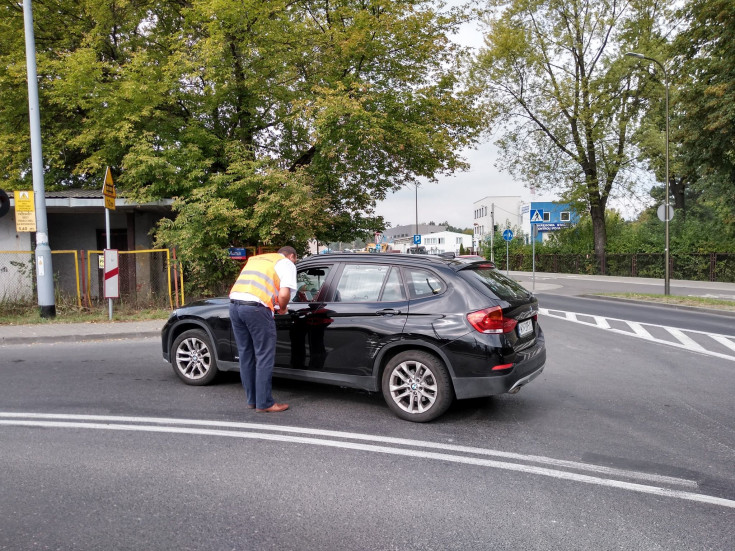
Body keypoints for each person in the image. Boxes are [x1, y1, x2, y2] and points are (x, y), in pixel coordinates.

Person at [229, 246, 298, 412]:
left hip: (234, 305)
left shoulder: (257, 259)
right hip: (256, 308)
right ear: (291, 256)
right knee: (264, 355)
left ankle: (252, 400)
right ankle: (265, 403)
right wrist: (282, 308)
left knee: (246, 354)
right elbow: (283, 294)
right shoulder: (286, 263)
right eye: (296, 260)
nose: (295, 263)